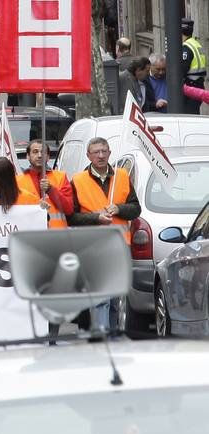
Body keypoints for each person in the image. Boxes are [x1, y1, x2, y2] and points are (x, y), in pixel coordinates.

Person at [67, 137, 141, 331]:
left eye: (104, 151)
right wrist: (95, 218)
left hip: (120, 244)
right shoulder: (77, 180)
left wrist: (119, 209)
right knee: (102, 297)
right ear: (88, 156)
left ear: (109, 153)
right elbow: (71, 217)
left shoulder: (122, 176)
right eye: (96, 152)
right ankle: (103, 337)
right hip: (94, 245)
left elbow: (135, 209)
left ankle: (113, 335)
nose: (100, 155)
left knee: (116, 297)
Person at [18, 139, 73, 229]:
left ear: (48, 157)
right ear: (28, 156)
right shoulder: (18, 181)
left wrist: (51, 189)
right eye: (35, 152)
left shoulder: (60, 177)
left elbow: (69, 209)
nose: (39, 155)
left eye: (43, 152)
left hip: (57, 234)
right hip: (29, 234)